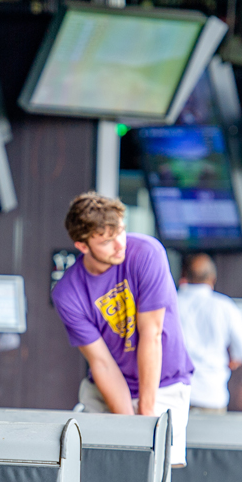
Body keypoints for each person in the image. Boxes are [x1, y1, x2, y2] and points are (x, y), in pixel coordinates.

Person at [50, 192, 194, 467]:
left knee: (155, 477)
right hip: (107, 388)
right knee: (100, 472)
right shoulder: (67, 293)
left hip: (163, 382)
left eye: (121, 232)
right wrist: (130, 429)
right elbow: (102, 363)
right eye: (106, 241)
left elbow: (151, 335)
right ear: (82, 245)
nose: (119, 245)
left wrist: (146, 418)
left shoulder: (147, 253)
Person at [177, 253, 242, 413]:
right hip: (211, 394)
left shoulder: (171, 303)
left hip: (174, 394)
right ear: (213, 278)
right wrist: (234, 359)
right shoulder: (224, 307)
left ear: (183, 275)